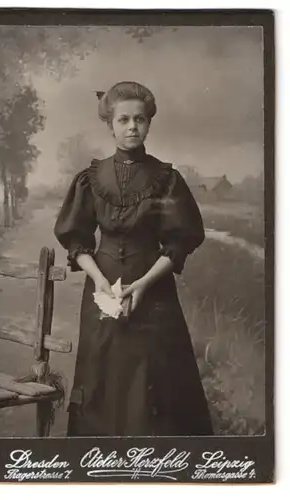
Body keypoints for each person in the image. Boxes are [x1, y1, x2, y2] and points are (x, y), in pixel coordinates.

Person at [54, 81, 213, 436]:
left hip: (153, 290)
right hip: (102, 291)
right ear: (109, 124)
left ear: (149, 124)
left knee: (153, 381)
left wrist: (142, 284)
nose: (132, 127)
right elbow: (77, 241)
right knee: (103, 376)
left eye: (139, 120)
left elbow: (179, 242)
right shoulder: (90, 179)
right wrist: (99, 280)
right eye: (123, 119)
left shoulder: (167, 180)